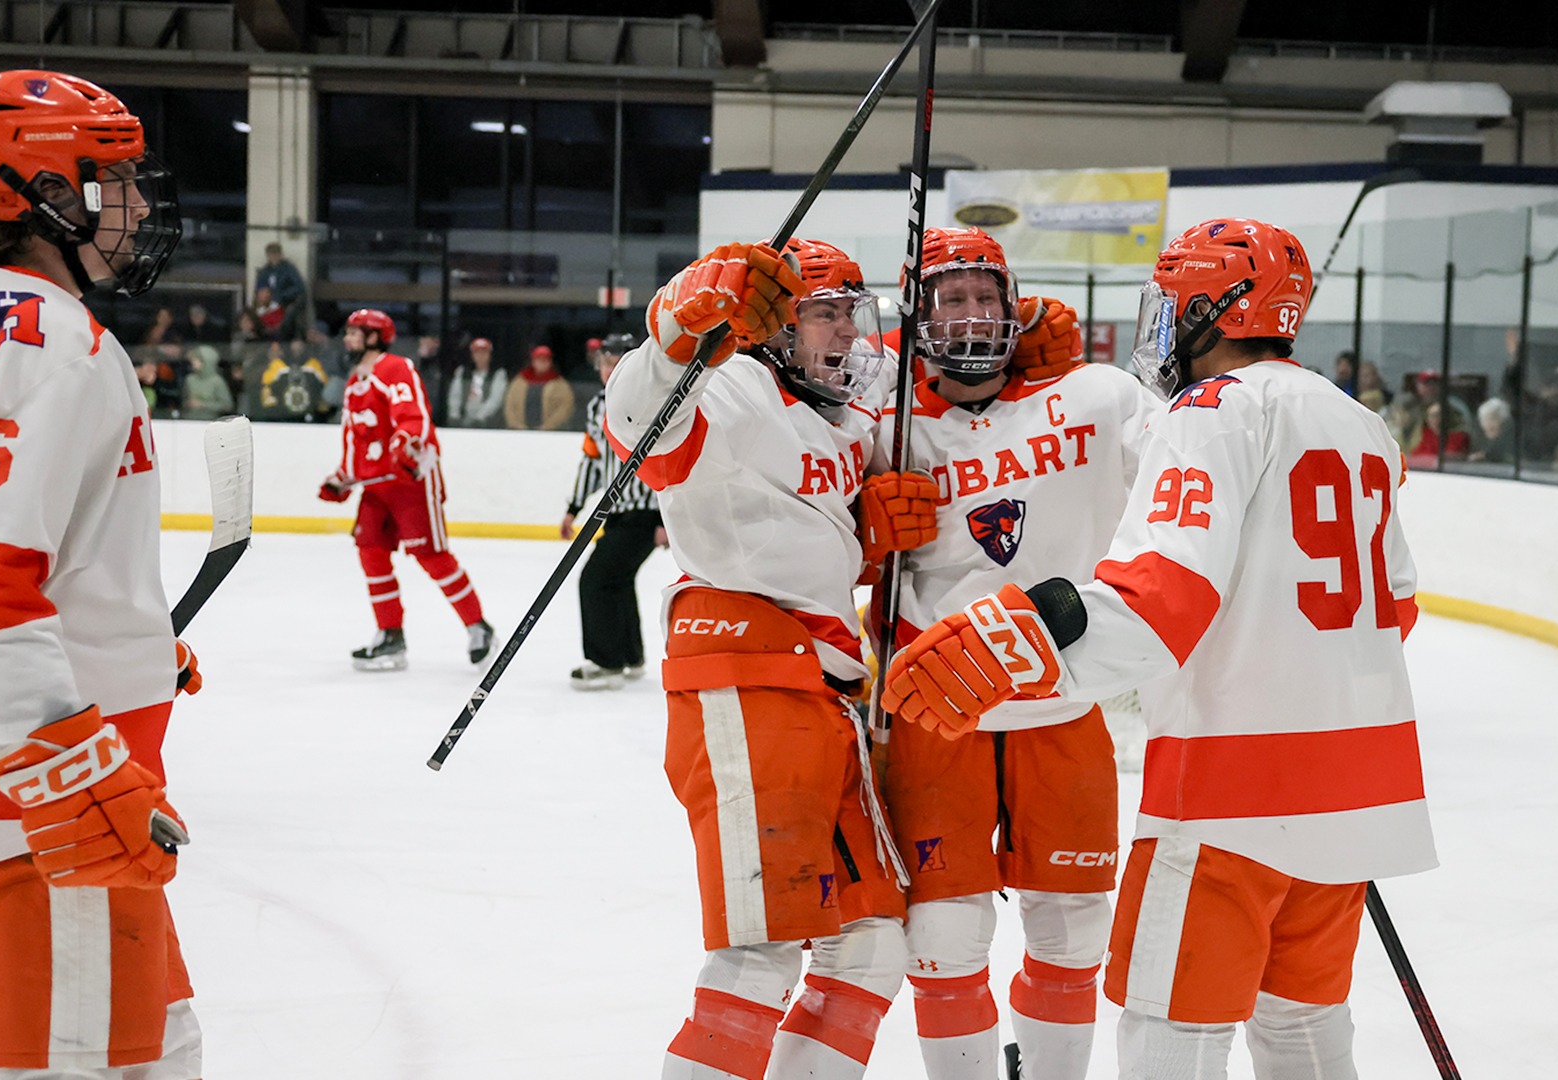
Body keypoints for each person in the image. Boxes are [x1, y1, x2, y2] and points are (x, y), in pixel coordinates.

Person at [882, 218, 1437, 1080]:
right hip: (1362, 790)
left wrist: (1007, 648)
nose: (1165, 323)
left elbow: (1159, 598)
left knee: (1167, 1028)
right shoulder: (1360, 422)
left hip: (1231, 792)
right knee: (1301, 1024)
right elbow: (1396, 610)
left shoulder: (1207, 412)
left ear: (1214, 309)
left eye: (1175, 304)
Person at [0, 69, 206, 1080]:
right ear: (48, 193)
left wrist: (130, 646)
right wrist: (75, 776)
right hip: (52, 815)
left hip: (35, 786)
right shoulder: (43, 345)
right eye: (117, 181)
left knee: (156, 1051)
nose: (142, 207)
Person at [605, 238, 934, 1079]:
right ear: (775, 329)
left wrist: (869, 542)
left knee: (870, 948)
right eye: (826, 313)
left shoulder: (845, 415)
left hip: (826, 694)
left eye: (852, 314)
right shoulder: (739, 387)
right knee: (762, 952)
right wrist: (680, 327)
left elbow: (814, 545)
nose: (847, 333)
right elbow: (640, 425)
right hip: (749, 676)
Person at [872, 225, 1162, 1080]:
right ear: (916, 317)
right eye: (949, 298)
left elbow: (1199, 464)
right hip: (934, 714)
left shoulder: (1096, 396)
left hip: (1063, 707)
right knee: (945, 934)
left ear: (1015, 305)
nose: (971, 315)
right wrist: (861, 534)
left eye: (987, 295)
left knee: (1073, 929)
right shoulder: (878, 422)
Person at [317, 308, 494, 670]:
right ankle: (390, 635)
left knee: (431, 555)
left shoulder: (395, 367)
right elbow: (357, 443)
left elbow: (412, 416)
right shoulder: (355, 384)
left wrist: (406, 441)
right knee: (370, 551)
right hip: (376, 487)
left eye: (355, 332)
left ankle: (478, 626)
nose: (347, 338)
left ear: (373, 337)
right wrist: (343, 477)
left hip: (410, 481)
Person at [561, 332, 666, 689]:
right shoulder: (597, 407)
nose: (610, 368)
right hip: (618, 515)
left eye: (618, 360)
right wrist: (574, 507)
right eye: (605, 361)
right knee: (617, 580)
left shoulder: (650, 401)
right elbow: (593, 460)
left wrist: (664, 518)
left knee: (597, 579)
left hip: (644, 513)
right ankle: (630, 656)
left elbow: (667, 459)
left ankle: (606, 662)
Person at [504, 343, 576, 430]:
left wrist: (548, 426)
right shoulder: (519, 382)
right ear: (533, 361)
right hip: (520, 432)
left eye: (545, 360)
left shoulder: (560, 385)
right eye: (538, 359)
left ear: (550, 362)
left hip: (550, 433)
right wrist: (516, 425)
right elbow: (509, 406)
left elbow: (565, 408)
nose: (542, 363)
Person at [445, 336, 508, 428]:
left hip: (487, 422)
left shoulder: (498, 374)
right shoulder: (462, 372)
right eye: (477, 353)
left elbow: (495, 399)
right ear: (472, 355)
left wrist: (480, 418)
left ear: (489, 355)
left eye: (484, 352)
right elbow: (455, 396)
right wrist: (455, 416)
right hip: (463, 420)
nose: (480, 356)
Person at [253, 241, 306, 339]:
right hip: (269, 303)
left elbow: (299, 287)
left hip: (286, 302)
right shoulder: (265, 271)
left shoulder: (289, 269)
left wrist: (282, 295)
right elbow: (259, 289)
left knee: (290, 313)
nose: (273, 257)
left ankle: (281, 333)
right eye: (270, 254)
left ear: (281, 254)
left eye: (275, 254)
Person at [179, 344, 235, 420]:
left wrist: (202, 405)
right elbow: (183, 401)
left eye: (197, 360)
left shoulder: (217, 381)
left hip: (209, 421)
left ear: (206, 361)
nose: (193, 362)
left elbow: (227, 405)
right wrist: (188, 403)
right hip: (189, 420)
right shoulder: (190, 379)